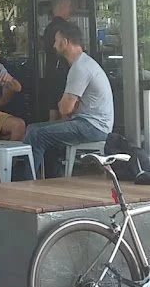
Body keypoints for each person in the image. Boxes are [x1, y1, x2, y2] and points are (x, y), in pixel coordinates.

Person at [25, 22, 114, 177]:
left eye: (56, 40)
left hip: (92, 127)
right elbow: (68, 108)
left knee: (36, 134)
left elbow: (64, 109)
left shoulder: (80, 68)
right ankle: (52, 177)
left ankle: (22, 182)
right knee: (35, 129)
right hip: (91, 123)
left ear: (65, 42)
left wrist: (65, 103)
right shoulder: (84, 63)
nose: (53, 45)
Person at [43, 0, 72, 119]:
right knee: (64, 108)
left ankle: (51, 132)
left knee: (52, 106)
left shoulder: (48, 28)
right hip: (62, 71)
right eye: (69, 6)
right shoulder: (64, 28)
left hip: (50, 71)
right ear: (62, 6)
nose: (71, 10)